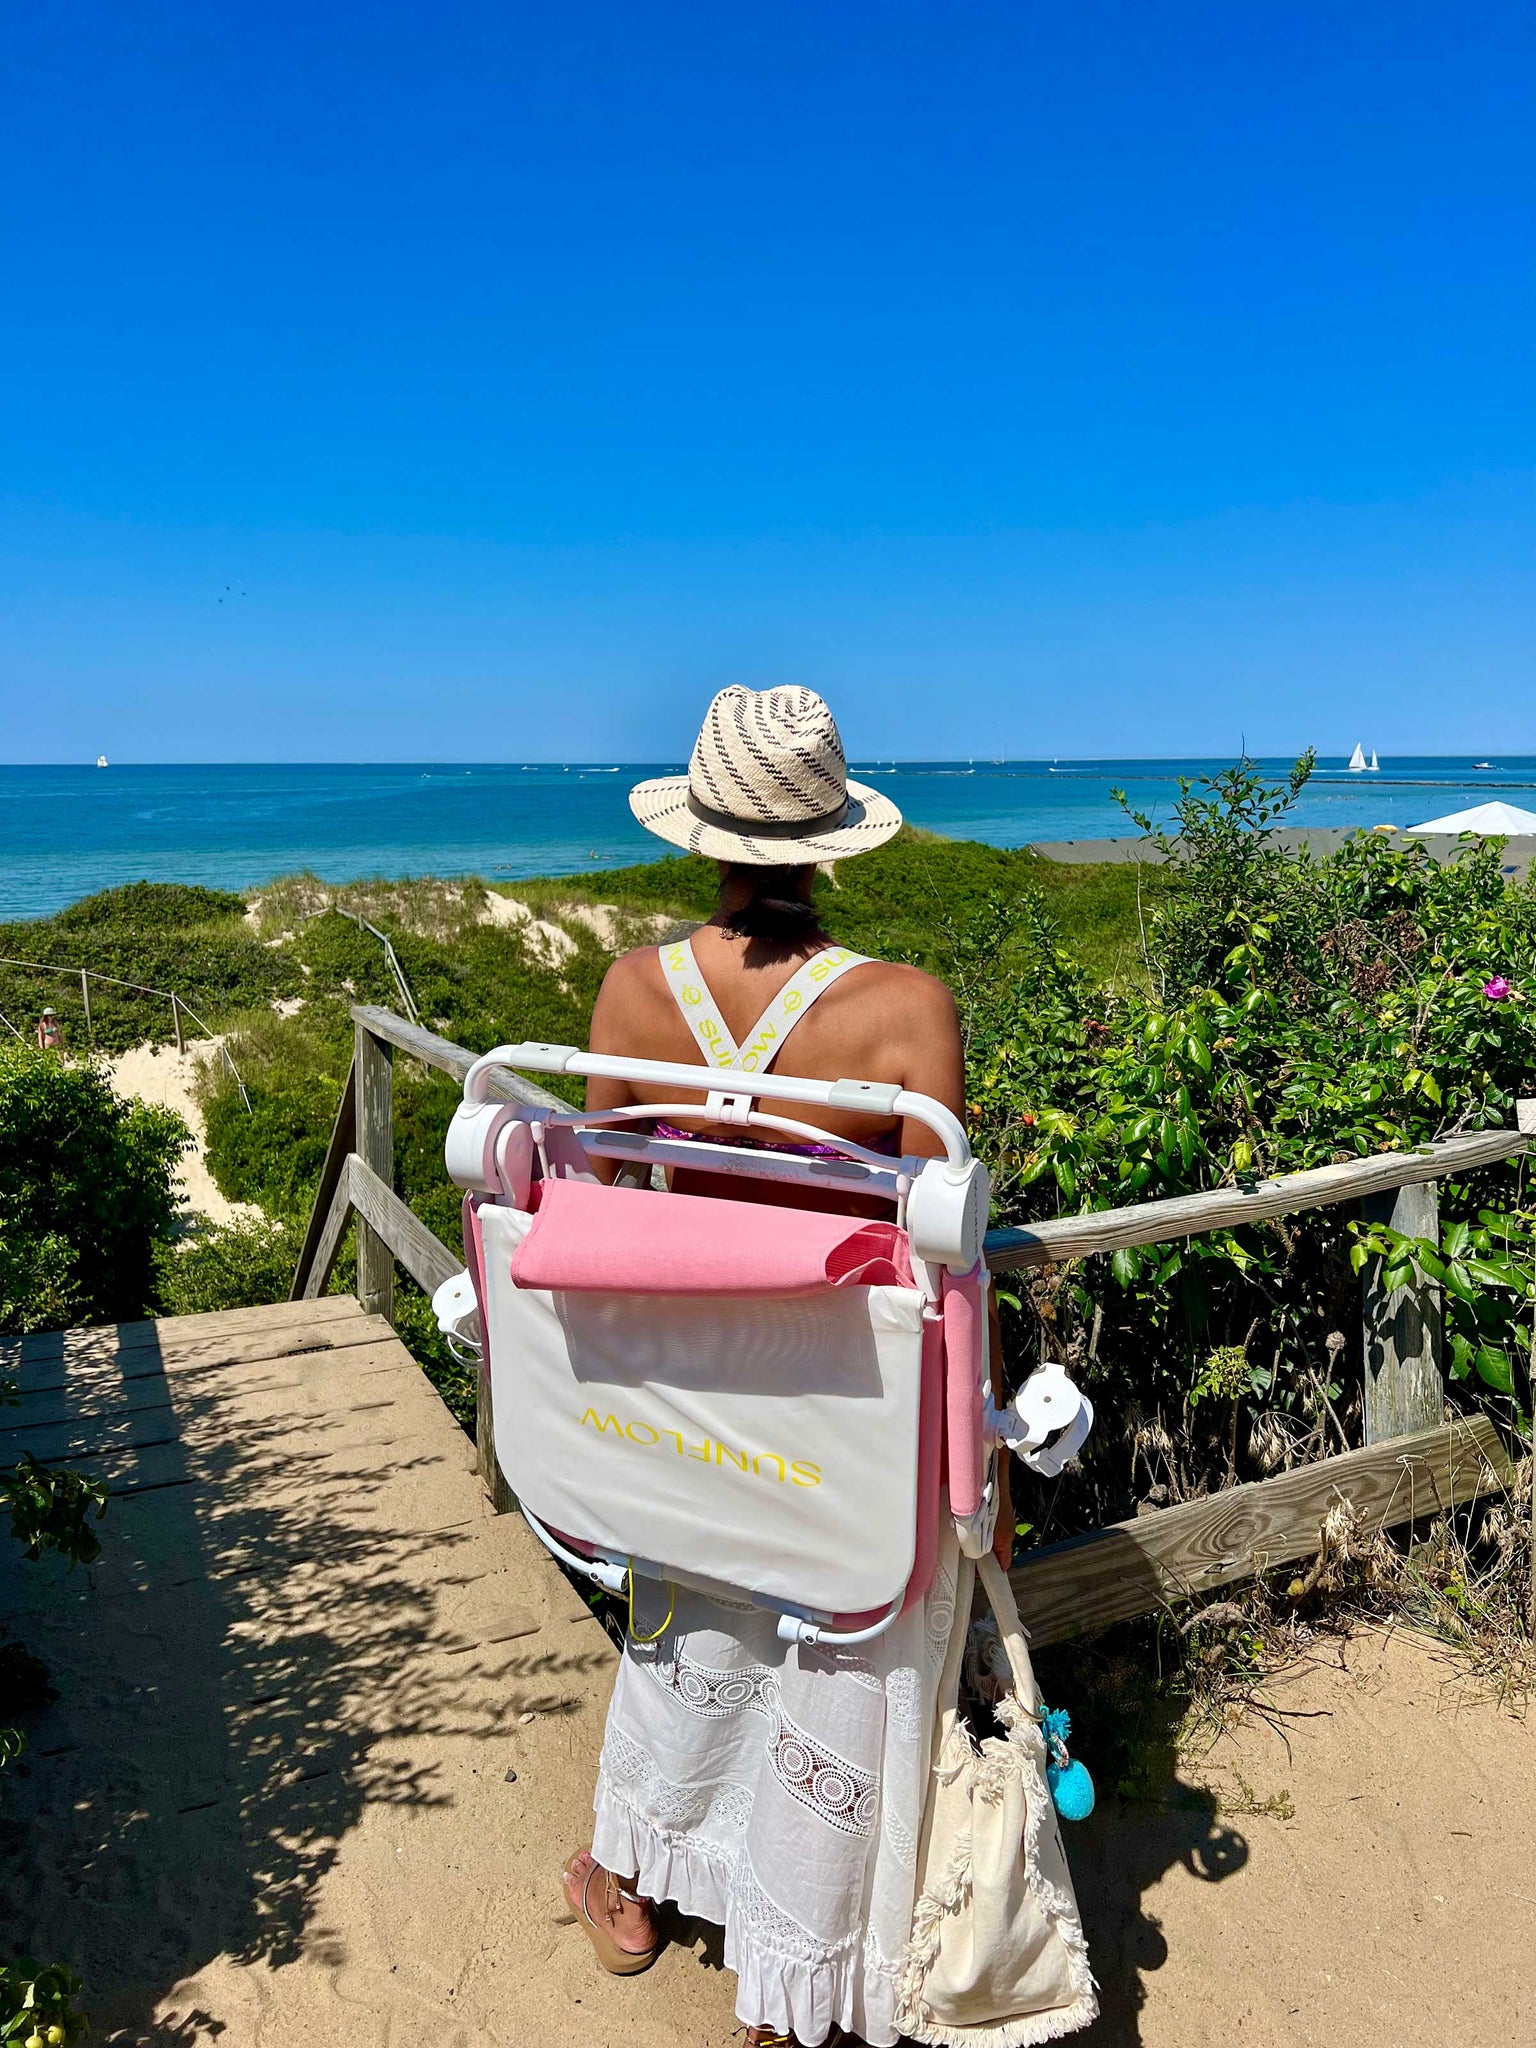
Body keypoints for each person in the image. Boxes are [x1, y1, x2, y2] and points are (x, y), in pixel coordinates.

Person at [559, 685, 1012, 2048]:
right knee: (837, 1679)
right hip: (850, 1419)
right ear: (829, 846)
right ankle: (791, 1985)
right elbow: (940, 1242)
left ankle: (630, 1886)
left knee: (684, 1629)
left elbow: (603, 1200)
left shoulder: (632, 992)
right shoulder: (903, 1011)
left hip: (692, 1409)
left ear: (703, 837)